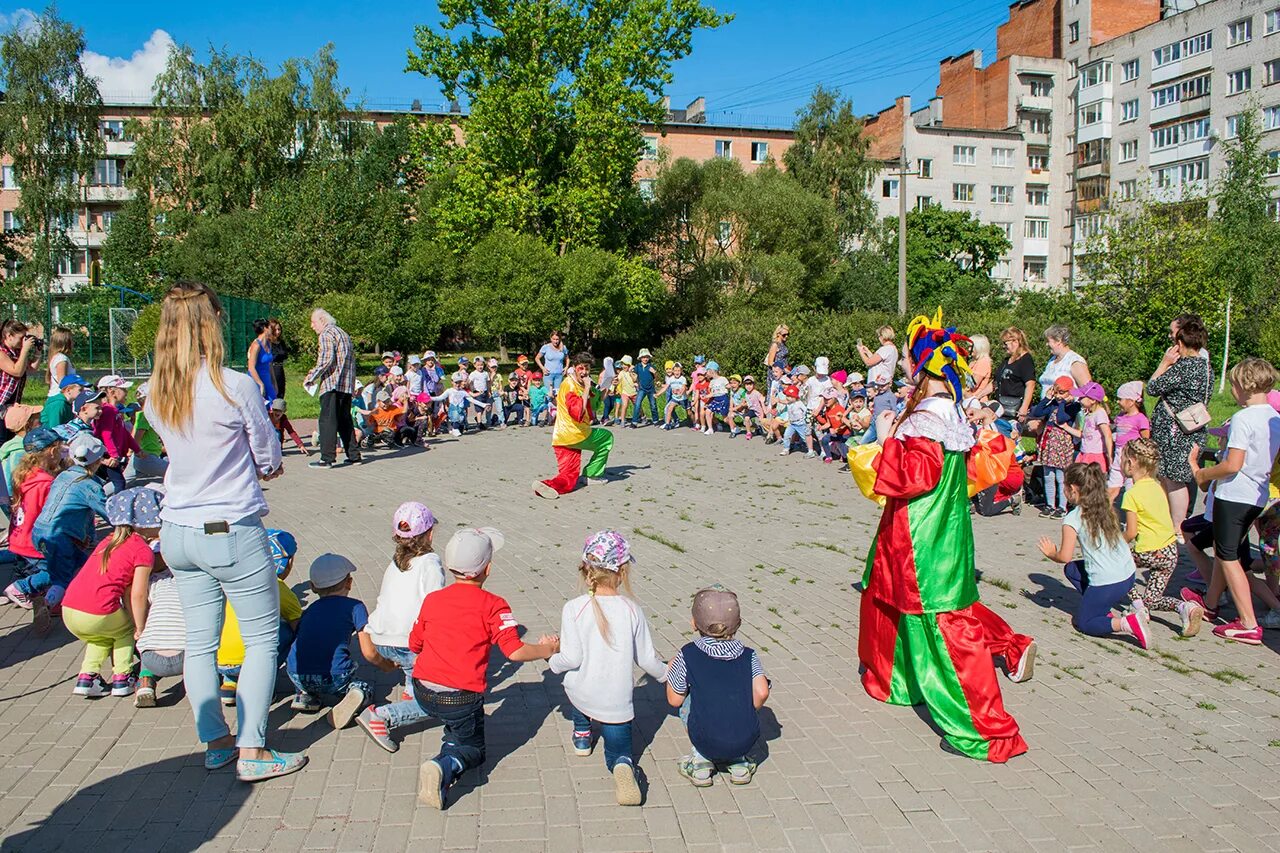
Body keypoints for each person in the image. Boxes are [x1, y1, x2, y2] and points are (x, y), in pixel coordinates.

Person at [145, 281, 304, 783]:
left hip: (177, 528)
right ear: (209, 324)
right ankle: (253, 748)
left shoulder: (155, 390)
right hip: (228, 527)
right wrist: (269, 466)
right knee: (260, 639)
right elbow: (267, 453)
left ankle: (214, 741)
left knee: (201, 642)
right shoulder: (233, 385)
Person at [858, 310, 1033, 763]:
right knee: (898, 604)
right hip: (938, 529)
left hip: (922, 536)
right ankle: (902, 681)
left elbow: (915, 476)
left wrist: (885, 440)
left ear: (921, 366)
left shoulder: (930, 416)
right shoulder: (949, 410)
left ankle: (985, 729)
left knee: (944, 621)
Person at [408, 528, 559, 810]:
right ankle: (446, 764)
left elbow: (414, 644)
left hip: (423, 690)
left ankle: (451, 742)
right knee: (475, 750)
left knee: (458, 724)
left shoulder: (432, 600)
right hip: (460, 698)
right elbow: (514, 651)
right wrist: (547, 650)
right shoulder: (495, 606)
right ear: (487, 569)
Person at [549, 531, 666, 806]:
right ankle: (623, 765)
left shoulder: (573, 608)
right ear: (623, 571)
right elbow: (647, 660)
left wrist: (551, 661)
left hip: (582, 693)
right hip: (617, 705)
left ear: (585, 568)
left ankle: (581, 736)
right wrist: (666, 674)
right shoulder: (631, 610)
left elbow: (571, 659)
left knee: (576, 686)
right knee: (619, 751)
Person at [1184, 358, 1280, 645]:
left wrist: (1203, 474)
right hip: (1258, 494)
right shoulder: (1273, 417)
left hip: (1234, 493)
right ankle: (1211, 605)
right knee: (1227, 551)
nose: (1233, 392)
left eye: (1235, 385)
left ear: (1245, 385)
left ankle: (1248, 622)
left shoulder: (1243, 418)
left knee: (1228, 557)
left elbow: (1232, 464)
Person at [355, 502, 446, 752]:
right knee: (437, 701)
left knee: (411, 668)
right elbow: (434, 604)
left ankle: (410, 691)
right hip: (407, 640)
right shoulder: (430, 562)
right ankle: (382, 716)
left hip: (382, 637)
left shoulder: (395, 562)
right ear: (430, 534)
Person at [61, 487, 162, 698]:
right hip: (98, 612)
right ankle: (123, 677)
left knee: (101, 637)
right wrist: (140, 627)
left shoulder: (108, 541)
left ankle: (87, 677)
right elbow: (138, 594)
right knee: (124, 630)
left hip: (70, 609)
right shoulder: (142, 551)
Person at [666, 586, 769, 787]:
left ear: (694, 623)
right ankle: (738, 763)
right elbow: (762, 691)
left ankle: (700, 762)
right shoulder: (749, 655)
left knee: (688, 697)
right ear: (738, 624)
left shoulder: (688, 654)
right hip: (745, 739)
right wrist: (748, 707)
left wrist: (672, 673)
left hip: (705, 738)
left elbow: (674, 699)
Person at [1038, 463, 1148, 648]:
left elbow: (1064, 556)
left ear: (1073, 489)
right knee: (1072, 570)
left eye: (1065, 486)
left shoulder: (1073, 518)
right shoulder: (1105, 506)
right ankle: (1100, 606)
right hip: (1129, 577)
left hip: (1108, 582)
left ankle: (1127, 623)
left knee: (1084, 623)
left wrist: (1051, 553)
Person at [16, 433, 109, 635]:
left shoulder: (63, 475)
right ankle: (39, 598)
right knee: (62, 577)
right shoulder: (90, 486)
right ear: (98, 461)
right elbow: (108, 513)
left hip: (42, 531)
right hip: (59, 536)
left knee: (82, 564)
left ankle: (66, 597)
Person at [287, 554, 393, 728]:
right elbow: (368, 652)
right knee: (365, 687)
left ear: (313, 587)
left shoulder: (310, 609)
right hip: (334, 677)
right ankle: (356, 692)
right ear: (349, 583)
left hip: (296, 673)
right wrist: (386, 665)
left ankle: (305, 695)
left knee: (308, 668)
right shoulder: (355, 607)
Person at [1120, 439, 1198, 636]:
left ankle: (1138, 607)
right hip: (1170, 551)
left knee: (1119, 564)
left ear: (1131, 462)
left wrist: (1113, 545)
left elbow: (1130, 532)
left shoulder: (1132, 494)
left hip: (1150, 550)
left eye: (1121, 459)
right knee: (1153, 599)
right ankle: (1185, 608)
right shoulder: (1157, 486)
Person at [218, 529, 303, 707]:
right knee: (288, 632)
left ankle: (230, 684)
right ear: (288, 563)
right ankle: (263, 686)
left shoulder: (231, 581)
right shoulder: (278, 587)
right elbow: (300, 629)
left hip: (219, 660)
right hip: (248, 663)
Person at [1148, 316, 1211, 540]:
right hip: (1191, 430)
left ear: (1182, 343)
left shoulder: (1183, 367)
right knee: (1173, 477)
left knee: (1174, 479)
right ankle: (1174, 523)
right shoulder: (1205, 366)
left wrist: (1164, 363)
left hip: (1175, 432)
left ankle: (1177, 526)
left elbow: (1153, 387)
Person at [533, 353, 614, 499]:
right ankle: (592, 474)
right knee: (606, 438)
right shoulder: (570, 386)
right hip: (575, 435)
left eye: (587, 368)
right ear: (574, 368)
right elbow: (578, 413)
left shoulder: (582, 384)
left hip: (562, 439)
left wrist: (608, 385)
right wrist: (587, 388)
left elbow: (596, 401)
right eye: (581, 368)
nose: (584, 372)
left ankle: (548, 485)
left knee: (569, 478)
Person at [304, 308, 360, 470]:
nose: (312, 326)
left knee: (327, 420)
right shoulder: (343, 333)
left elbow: (326, 360)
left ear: (322, 320)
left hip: (332, 384)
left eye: (313, 322)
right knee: (345, 420)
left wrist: (311, 377)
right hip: (346, 385)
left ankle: (327, 458)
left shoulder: (326, 334)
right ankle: (353, 455)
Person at [133, 543, 187, 708]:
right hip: (185, 656)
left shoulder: (154, 581)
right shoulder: (192, 582)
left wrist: (139, 628)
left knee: (147, 640)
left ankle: (145, 683)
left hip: (152, 659)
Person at [1028, 377, 1080, 518]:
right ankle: (1050, 504)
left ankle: (1062, 506)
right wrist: (1046, 399)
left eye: (1062, 392)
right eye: (1056, 392)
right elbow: (1036, 413)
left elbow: (1062, 418)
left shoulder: (1073, 406)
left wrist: (1063, 403)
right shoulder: (1052, 404)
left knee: (1061, 476)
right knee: (1048, 475)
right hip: (1050, 443)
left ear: (1069, 392)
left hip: (1062, 443)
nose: (1058, 395)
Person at [93, 375, 143, 496]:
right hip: (107, 454)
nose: (126, 392)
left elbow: (124, 433)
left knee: (109, 482)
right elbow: (106, 434)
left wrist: (136, 449)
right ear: (111, 391)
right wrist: (113, 455)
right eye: (124, 389)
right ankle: (115, 509)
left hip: (112, 454)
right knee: (119, 483)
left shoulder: (115, 411)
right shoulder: (108, 411)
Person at [0, 319, 42, 442]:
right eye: (21, 337)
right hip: (1, 403)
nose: (23, 341)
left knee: (10, 438)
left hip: (12, 403)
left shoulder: (17, 352)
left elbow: (32, 368)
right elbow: (16, 371)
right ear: (9, 336)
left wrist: (37, 352)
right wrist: (25, 350)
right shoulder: (2, 353)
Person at [1107, 381, 1150, 500]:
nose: (1118, 402)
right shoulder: (1120, 416)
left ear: (1131, 401)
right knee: (1112, 487)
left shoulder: (1141, 419)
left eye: (1120, 399)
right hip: (1119, 456)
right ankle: (1103, 515)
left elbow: (1146, 440)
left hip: (1132, 457)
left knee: (1131, 489)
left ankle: (1133, 516)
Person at [1065, 382, 1112, 472]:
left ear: (1092, 400)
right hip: (1085, 452)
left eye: (1082, 398)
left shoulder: (1100, 414)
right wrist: (1065, 427)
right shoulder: (1089, 414)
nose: (1078, 400)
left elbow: (1108, 435)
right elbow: (1083, 434)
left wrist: (1110, 456)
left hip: (1095, 455)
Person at [126, 382, 170, 480]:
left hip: (142, 456)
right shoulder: (147, 415)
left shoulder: (141, 414)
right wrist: (137, 450)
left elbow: (134, 432)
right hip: (146, 457)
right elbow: (137, 437)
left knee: (123, 482)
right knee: (174, 474)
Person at [1038, 325, 1092, 400]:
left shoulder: (1075, 361)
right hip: (1046, 409)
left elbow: (1089, 391)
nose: (1046, 344)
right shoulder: (1052, 360)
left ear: (1058, 341)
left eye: (1048, 341)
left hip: (1066, 410)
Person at [995, 327, 1037, 422]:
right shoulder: (1006, 361)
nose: (1004, 346)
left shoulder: (1026, 360)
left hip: (1016, 408)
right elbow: (995, 383)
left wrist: (1024, 407)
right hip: (1002, 406)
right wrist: (978, 395)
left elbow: (1030, 384)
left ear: (1015, 342)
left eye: (1005, 343)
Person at [247, 319, 275, 405]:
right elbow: (251, 367)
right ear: (264, 328)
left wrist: (274, 382)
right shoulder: (256, 345)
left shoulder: (268, 344)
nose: (272, 330)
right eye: (270, 327)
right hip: (256, 379)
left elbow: (269, 365)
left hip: (267, 379)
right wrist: (260, 384)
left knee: (274, 405)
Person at [631, 349, 659, 428]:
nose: (645, 359)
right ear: (640, 358)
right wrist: (633, 376)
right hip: (642, 389)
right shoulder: (638, 366)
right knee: (637, 404)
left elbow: (657, 378)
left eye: (647, 357)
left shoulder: (651, 366)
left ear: (649, 357)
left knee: (653, 405)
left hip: (651, 389)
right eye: (643, 357)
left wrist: (655, 373)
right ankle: (634, 422)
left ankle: (656, 420)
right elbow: (634, 377)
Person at [45, 325, 74, 398]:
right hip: (60, 397)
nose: (73, 342)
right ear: (66, 342)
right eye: (71, 340)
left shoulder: (56, 357)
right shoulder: (62, 359)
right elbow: (62, 381)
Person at [537, 331, 568, 398]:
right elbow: (537, 358)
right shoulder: (546, 347)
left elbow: (567, 359)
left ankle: (556, 408)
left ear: (559, 339)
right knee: (548, 395)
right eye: (554, 339)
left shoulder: (563, 348)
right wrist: (543, 368)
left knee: (558, 395)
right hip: (548, 374)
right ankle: (547, 408)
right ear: (551, 338)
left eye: (557, 339)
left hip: (559, 375)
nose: (555, 341)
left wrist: (566, 368)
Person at [966, 335, 994, 402]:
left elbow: (973, 384)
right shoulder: (974, 362)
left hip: (977, 400)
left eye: (971, 347)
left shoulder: (983, 362)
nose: (969, 349)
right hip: (970, 399)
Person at [267, 318, 288, 397]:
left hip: (280, 370)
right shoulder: (268, 343)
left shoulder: (281, 342)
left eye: (279, 329)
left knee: (281, 392)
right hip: (272, 369)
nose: (278, 332)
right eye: (275, 330)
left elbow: (285, 355)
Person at [613, 357, 636, 425]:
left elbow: (635, 379)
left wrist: (630, 372)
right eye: (622, 364)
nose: (623, 366)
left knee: (637, 405)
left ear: (629, 365)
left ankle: (643, 416)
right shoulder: (621, 373)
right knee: (624, 405)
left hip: (633, 392)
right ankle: (622, 420)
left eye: (625, 364)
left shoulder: (633, 371)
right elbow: (618, 380)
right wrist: (615, 382)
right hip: (625, 392)